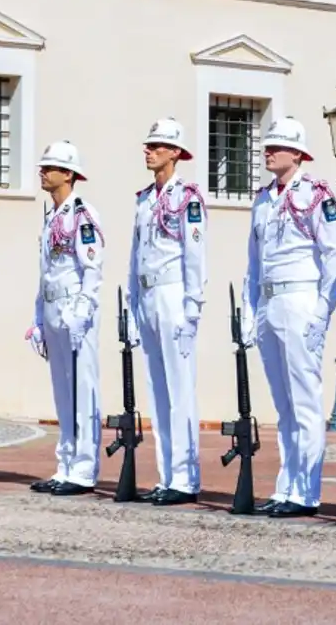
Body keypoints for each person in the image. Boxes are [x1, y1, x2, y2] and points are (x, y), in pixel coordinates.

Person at [242, 117, 336, 519]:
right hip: (270, 301)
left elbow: (335, 256)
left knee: (304, 399)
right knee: (282, 402)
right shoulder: (263, 198)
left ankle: (306, 489)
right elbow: (254, 262)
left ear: (298, 153)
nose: (268, 150)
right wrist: (251, 311)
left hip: (301, 298)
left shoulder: (317, 194)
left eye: (277, 145)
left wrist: (322, 311)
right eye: (267, 145)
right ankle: (287, 484)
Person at [128, 118, 207, 505]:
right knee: (157, 389)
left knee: (180, 388)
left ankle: (185, 477)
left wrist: (193, 306)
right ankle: (166, 474)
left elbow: (195, 255)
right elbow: (135, 256)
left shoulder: (186, 197)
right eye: (148, 144)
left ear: (175, 152)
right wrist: (131, 304)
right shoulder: (144, 199)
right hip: (147, 296)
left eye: (158, 145)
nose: (149, 150)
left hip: (175, 294)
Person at [26, 141, 105, 497]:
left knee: (82, 389)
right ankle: (66, 464)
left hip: (75, 311)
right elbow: (45, 274)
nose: (43, 172)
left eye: (51, 167)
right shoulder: (52, 217)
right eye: (43, 167)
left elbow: (92, 269)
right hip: (54, 308)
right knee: (61, 390)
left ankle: (84, 468)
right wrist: (38, 319)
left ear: (69, 174)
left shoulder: (82, 215)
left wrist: (81, 312)